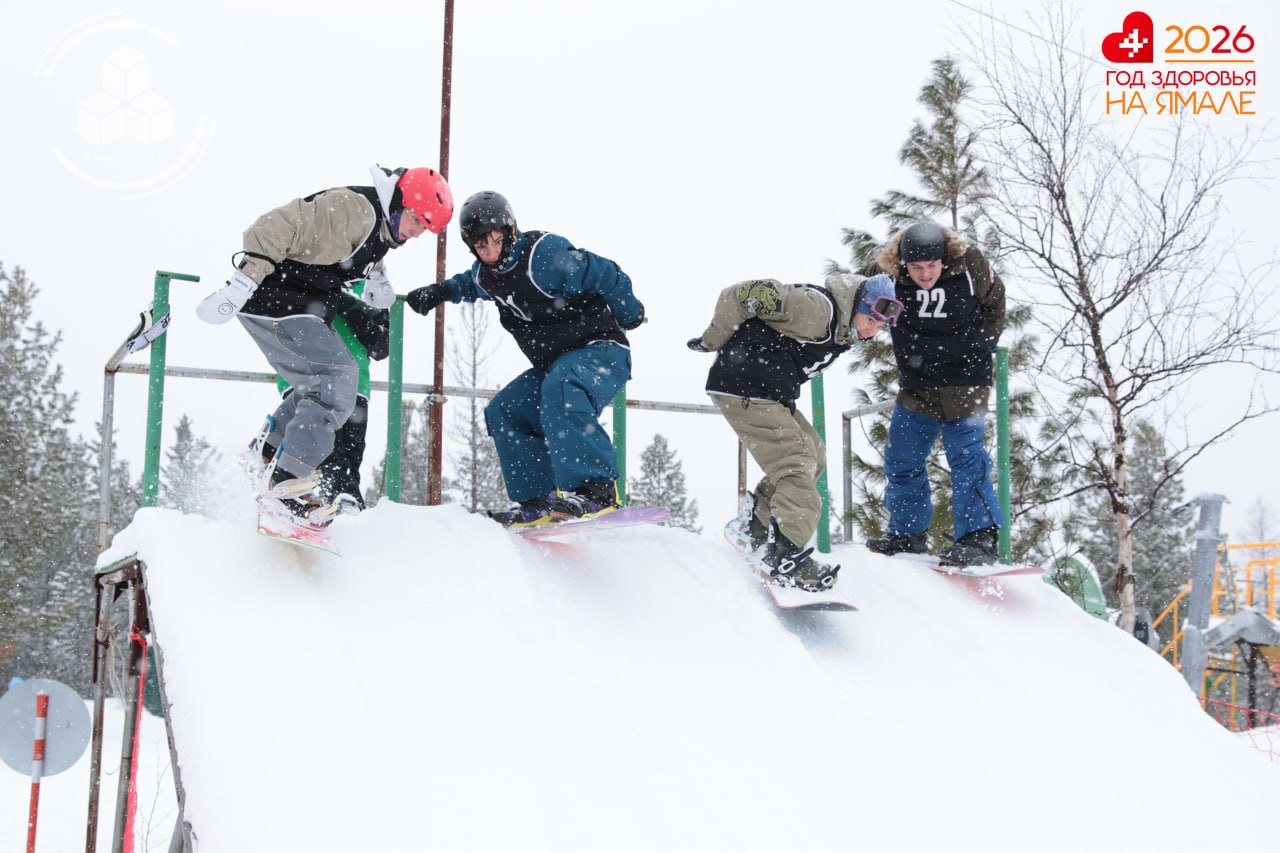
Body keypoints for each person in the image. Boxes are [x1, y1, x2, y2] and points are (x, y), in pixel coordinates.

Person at [197, 165, 453, 524]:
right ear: (399, 202)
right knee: (339, 377)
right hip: (276, 299)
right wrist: (244, 282)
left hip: (298, 305)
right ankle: (288, 483)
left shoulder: (378, 225)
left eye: (426, 228)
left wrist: (377, 277)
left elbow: (352, 251)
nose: (417, 232)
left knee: (321, 384)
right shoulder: (355, 208)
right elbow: (275, 225)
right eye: (416, 220)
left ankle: (270, 449)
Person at [405, 191, 645, 527]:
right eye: (480, 246)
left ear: (510, 232)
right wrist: (440, 291)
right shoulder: (487, 274)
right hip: (556, 366)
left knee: (562, 386)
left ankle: (598, 491)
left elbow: (607, 274)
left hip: (601, 351)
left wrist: (630, 312)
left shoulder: (544, 256)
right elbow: (469, 284)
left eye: (496, 242)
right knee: (505, 410)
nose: (490, 253)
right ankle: (538, 503)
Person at [687, 272, 901, 591]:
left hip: (769, 392)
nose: (873, 330)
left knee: (814, 456)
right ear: (857, 303)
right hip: (746, 385)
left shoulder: (839, 327)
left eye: (880, 326)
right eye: (871, 318)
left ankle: (755, 527)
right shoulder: (817, 309)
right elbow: (746, 293)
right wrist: (712, 339)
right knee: (796, 463)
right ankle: (784, 557)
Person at [863, 221, 1006, 566]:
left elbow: (996, 301)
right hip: (918, 380)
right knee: (901, 456)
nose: (925, 275)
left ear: (944, 258)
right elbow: (859, 295)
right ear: (903, 264)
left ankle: (978, 540)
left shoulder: (970, 264)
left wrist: (982, 345)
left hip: (965, 378)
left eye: (932, 266)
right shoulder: (887, 273)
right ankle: (907, 534)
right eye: (916, 268)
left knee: (966, 456)